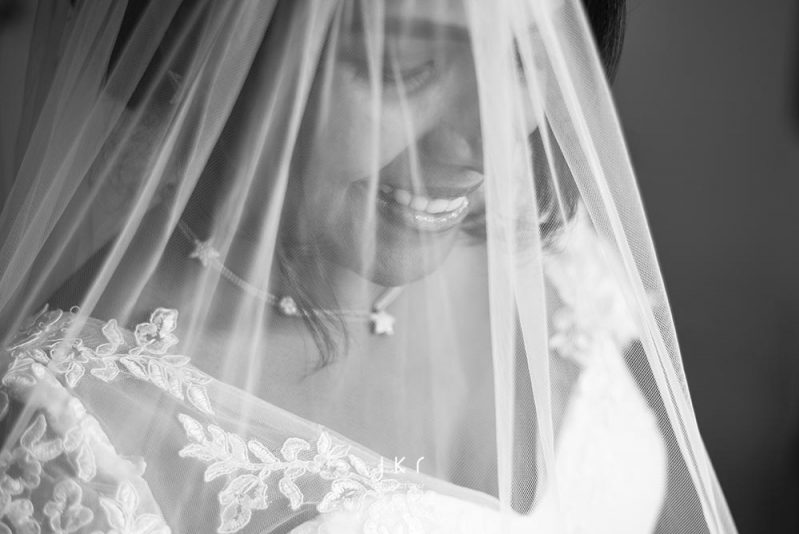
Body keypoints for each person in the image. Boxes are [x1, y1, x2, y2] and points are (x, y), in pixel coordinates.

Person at [0, 0, 735, 532]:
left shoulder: (543, 245)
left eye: (523, 57)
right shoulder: (65, 439)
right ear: (216, 45)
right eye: (403, 67)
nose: (487, 143)